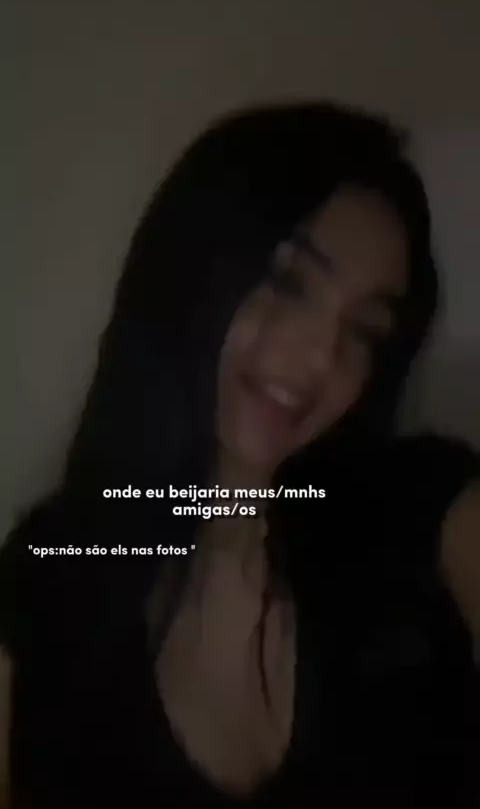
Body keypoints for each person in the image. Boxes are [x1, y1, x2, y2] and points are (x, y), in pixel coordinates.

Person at [0, 103, 479, 808]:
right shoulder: (53, 571)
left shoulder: (415, 503)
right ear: (189, 271)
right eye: (286, 282)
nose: (321, 358)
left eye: (366, 330)